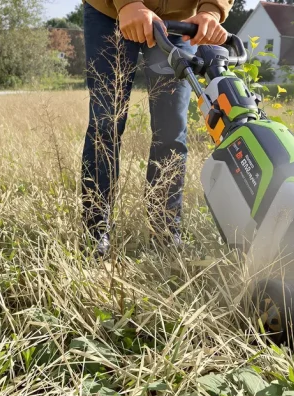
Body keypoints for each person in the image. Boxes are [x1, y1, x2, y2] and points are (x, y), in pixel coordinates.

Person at [82, 0, 232, 257]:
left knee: (172, 130)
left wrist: (211, 9)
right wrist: (127, 4)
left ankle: (165, 232)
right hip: (110, 13)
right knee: (105, 124)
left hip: (179, 22)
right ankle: (95, 231)